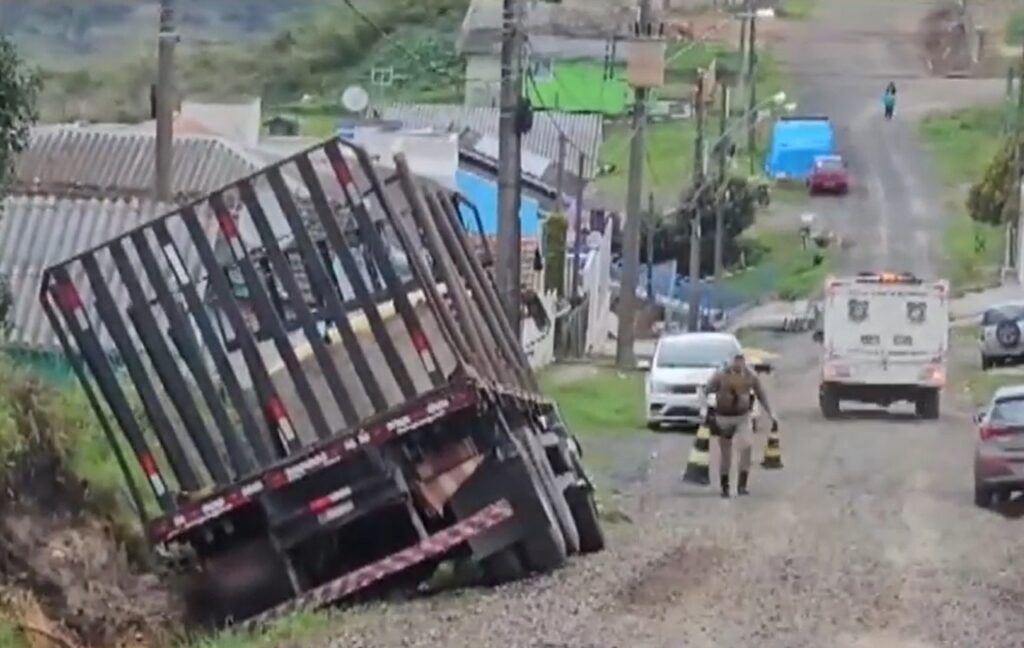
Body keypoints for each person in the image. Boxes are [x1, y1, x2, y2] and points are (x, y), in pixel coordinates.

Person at [705, 352, 779, 498]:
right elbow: (707, 390)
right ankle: (724, 486)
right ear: (731, 362)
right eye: (736, 361)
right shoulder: (720, 375)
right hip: (724, 417)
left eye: (741, 361)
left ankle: (742, 485)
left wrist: (771, 413)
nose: (738, 364)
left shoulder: (750, 376)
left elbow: (761, 394)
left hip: (742, 417)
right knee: (726, 453)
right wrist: (707, 409)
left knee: (747, 446)